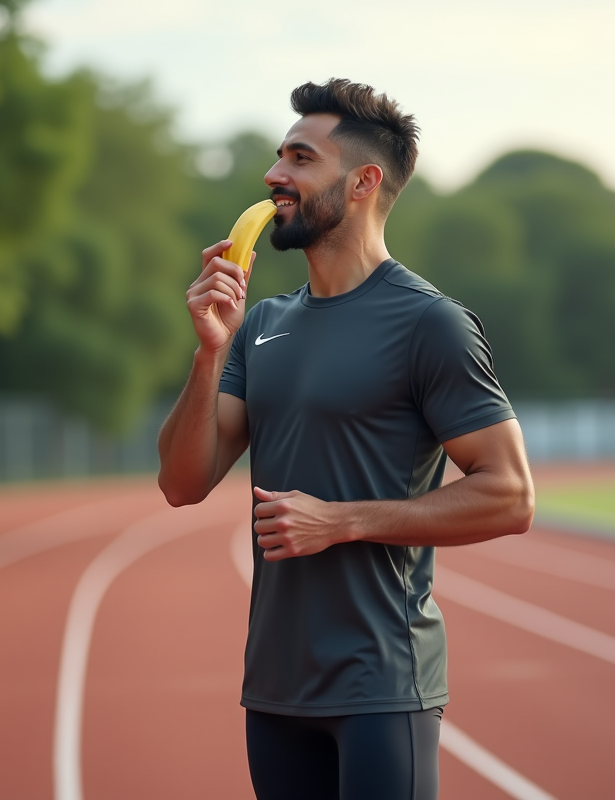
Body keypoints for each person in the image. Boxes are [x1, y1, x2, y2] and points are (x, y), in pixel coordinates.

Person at [157, 78, 535, 800]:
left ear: (363, 182)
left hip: (381, 684)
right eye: (278, 157)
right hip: (273, 689)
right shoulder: (260, 324)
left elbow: (510, 496)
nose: (274, 176)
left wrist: (344, 520)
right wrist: (209, 351)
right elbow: (182, 483)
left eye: (300, 158)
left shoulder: (430, 324)